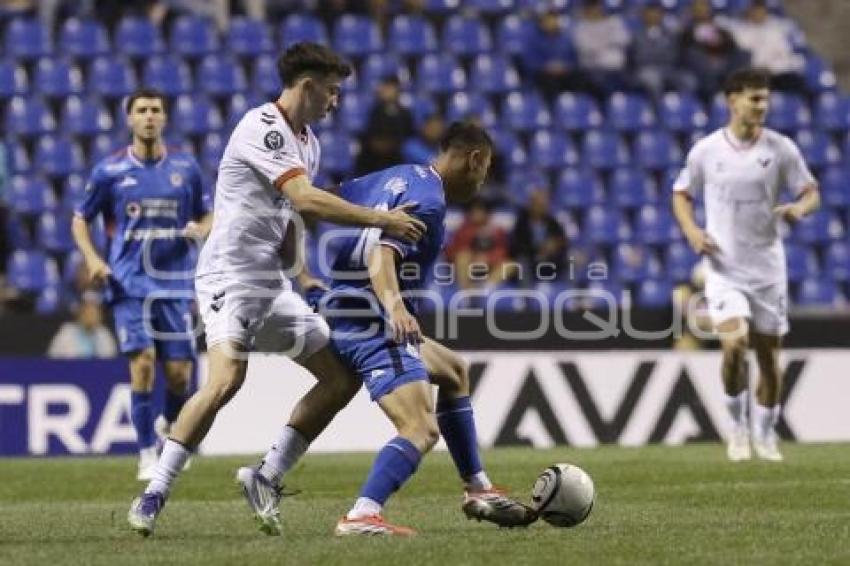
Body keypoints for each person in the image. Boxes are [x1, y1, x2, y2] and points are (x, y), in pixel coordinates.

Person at [127, 42, 426, 537]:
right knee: (226, 381)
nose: (335, 101)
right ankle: (155, 491)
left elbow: (291, 219)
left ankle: (265, 476)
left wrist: (303, 277)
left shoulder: (309, 142)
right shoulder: (261, 126)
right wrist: (381, 218)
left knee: (340, 378)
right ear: (307, 86)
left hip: (270, 283)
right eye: (331, 90)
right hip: (227, 277)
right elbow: (303, 197)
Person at [244, 122, 536, 537]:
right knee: (420, 428)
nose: (483, 180)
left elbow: (307, 204)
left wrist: (304, 277)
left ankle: (478, 488)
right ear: (474, 160)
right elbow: (381, 256)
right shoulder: (430, 202)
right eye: (485, 169)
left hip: (344, 308)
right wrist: (396, 308)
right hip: (373, 321)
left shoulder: (396, 177)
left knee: (452, 370)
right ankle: (362, 514)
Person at [671, 68, 820, 463]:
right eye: (755, 98)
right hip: (724, 269)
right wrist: (692, 230)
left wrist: (799, 208)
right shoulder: (707, 151)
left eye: (765, 99)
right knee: (734, 345)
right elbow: (681, 193)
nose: (762, 106)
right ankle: (737, 428)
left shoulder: (781, 149)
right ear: (732, 100)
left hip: (768, 269)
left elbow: (811, 192)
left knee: (769, 359)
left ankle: (765, 432)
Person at [72, 87, 212, 481]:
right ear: (129, 118)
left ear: (164, 118)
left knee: (180, 375)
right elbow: (80, 219)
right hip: (129, 282)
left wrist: (200, 229)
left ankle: (167, 430)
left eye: (155, 110)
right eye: (142, 110)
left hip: (174, 284)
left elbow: (208, 213)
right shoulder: (110, 171)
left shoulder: (185, 168)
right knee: (144, 364)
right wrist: (92, 258)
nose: (149, 116)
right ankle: (147, 454)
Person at [510, 187, 568, 284]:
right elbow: (517, 246)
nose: (543, 207)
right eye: (539, 204)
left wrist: (555, 245)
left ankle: (569, 291)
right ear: (531, 204)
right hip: (531, 260)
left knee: (571, 259)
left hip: (550, 261)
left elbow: (562, 241)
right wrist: (539, 249)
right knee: (522, 262)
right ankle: (526, 292)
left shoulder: (553, 223)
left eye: (545, 204)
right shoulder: (522, 223)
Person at [47, 292, 118, 358]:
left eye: (94, 310)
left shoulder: (104, 334)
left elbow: (111, 362)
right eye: (87, 309)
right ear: (80, 312)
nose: (91, 314)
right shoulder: (67, 331)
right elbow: (52, 359)